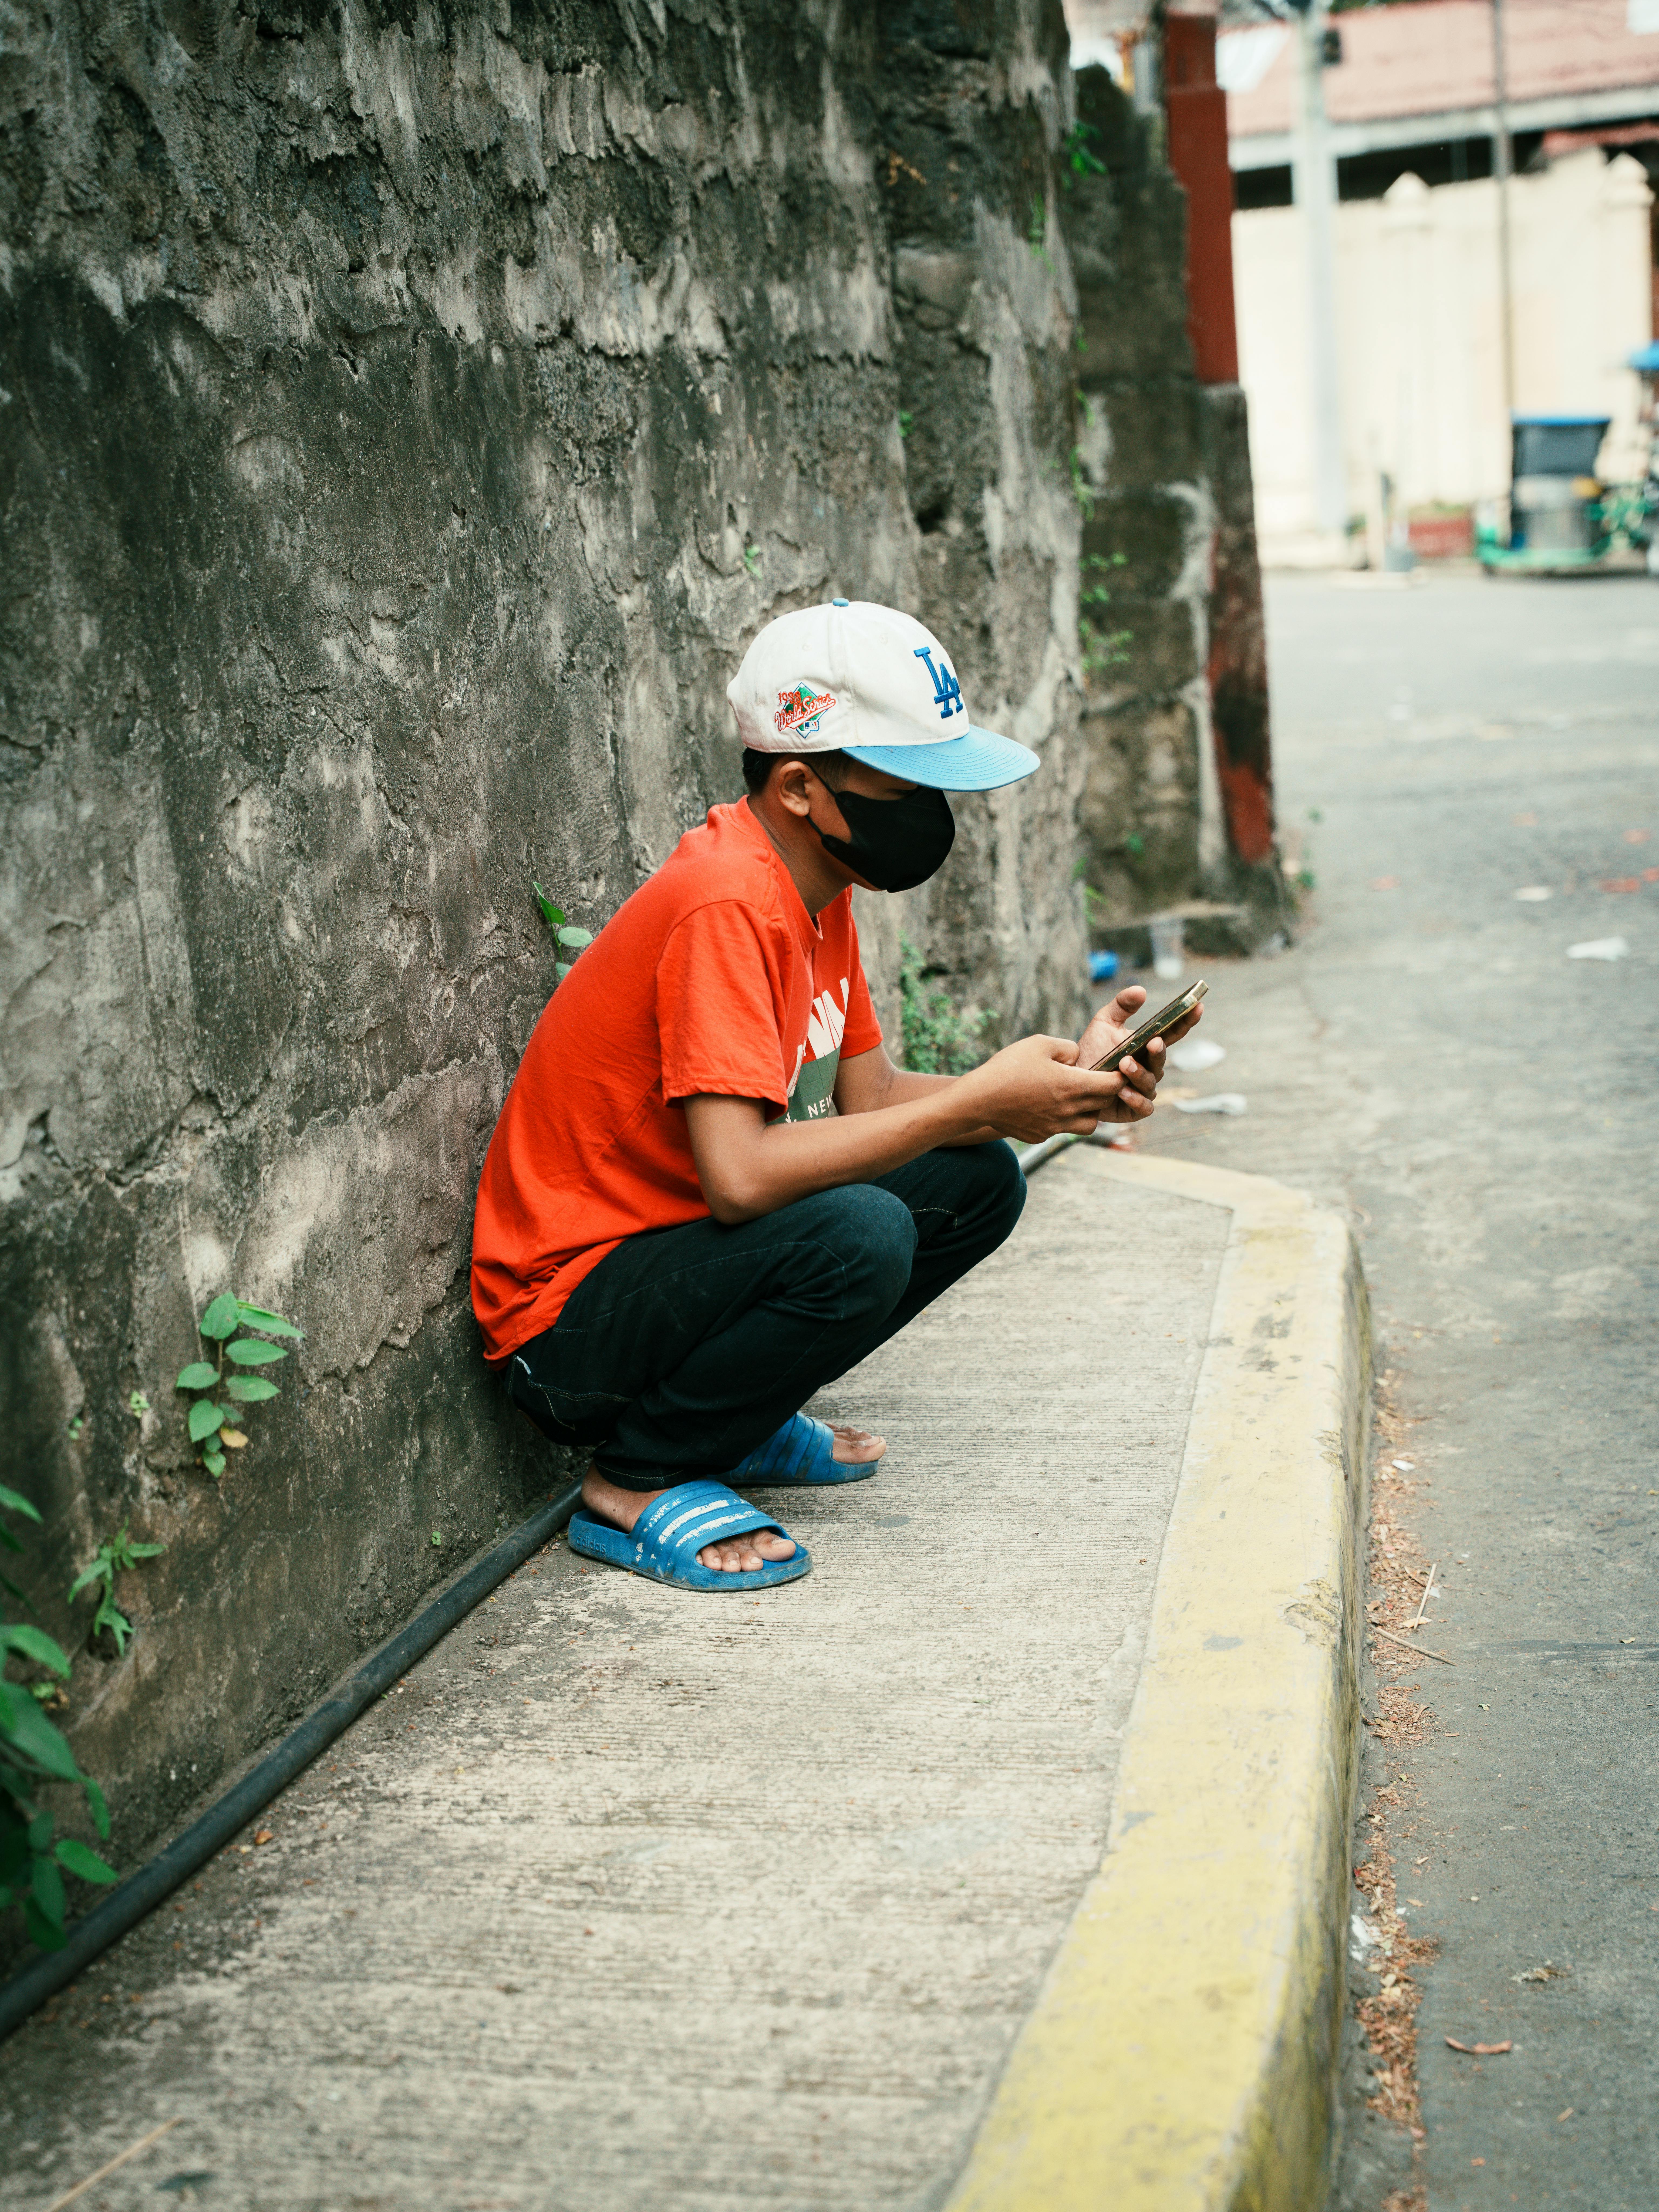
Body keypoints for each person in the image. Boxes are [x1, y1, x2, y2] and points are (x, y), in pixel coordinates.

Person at [470, 599, 1199, 1592]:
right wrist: (983, 1096)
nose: (932, 811)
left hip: (673, 1268)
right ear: (803, 785)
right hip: (564, 1326)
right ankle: (638, 1476)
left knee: (974, 1178)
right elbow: (738, 1178)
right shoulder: (731, 900)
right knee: (861, 1233)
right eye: (910, 783)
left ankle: (737, 1415)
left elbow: (873, 1096)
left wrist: (1063, 1086)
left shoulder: (817, 892)